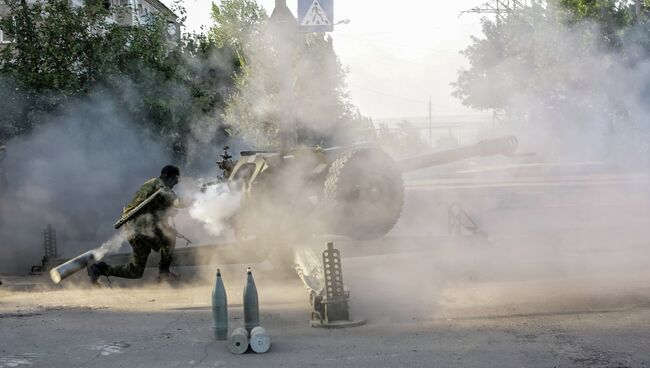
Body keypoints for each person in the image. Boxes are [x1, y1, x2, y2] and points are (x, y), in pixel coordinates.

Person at [88, 165, 189, 284]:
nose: (175, 184)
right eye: (175, 180)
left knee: (136, 271)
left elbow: (155, 215)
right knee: (170, 238)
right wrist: (192, 199)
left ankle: (100, 269)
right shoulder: (160, 186)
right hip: (141, 229)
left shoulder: (152, 186)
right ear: (168, 176)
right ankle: (164, 274)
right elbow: (177, 202)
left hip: (134, 229)